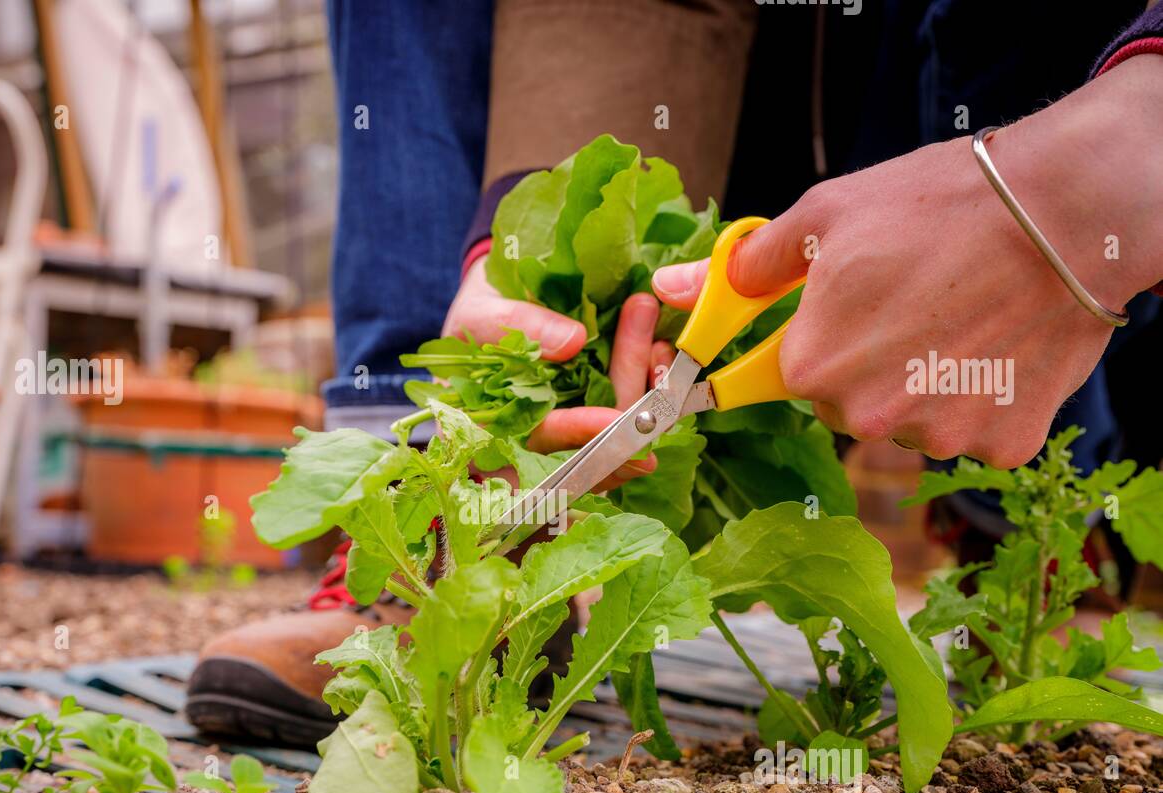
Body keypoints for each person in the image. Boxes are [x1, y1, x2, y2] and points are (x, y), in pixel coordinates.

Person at [187, 0, 1163, 746]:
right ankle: (431, 534)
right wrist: (526, 251)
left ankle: (1034, 552)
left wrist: (1087, 176)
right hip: (716, 146)